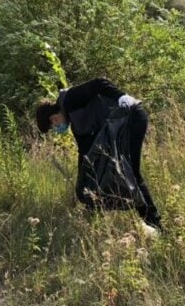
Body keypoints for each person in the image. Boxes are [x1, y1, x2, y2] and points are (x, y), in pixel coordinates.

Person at [35, 78, 161, 230]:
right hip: (121, 128)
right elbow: (85, 153)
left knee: (131, 173)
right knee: (124, 175)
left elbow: (98, 83)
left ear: (53, 118)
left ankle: (154, 223)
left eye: (53, 126)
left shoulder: (70, 99)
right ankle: (148, 221)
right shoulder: (76, 124)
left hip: (131, 117)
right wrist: (82, 186)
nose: (57, 128)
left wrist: (121, 96)